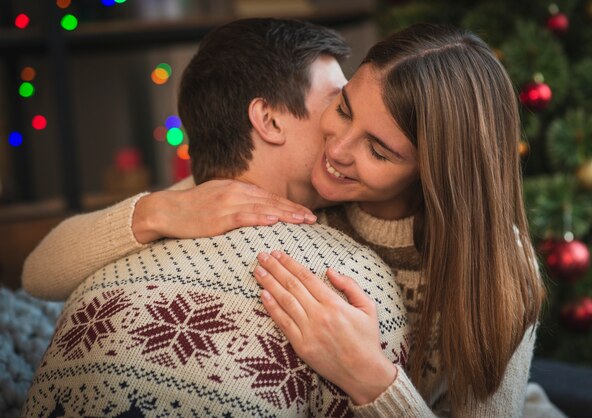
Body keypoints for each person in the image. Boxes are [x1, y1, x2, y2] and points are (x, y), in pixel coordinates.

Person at [23, 22, 560, 417]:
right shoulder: (302, 193)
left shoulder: (495, 264)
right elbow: (38, 273)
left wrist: (372, 379)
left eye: (378, 149)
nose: (338, 147)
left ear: (434, 173)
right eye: (344, 106)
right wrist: (162, 208)